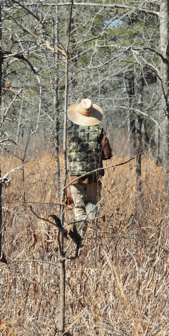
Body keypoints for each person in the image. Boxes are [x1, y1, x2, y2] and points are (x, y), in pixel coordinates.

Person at [66, 98, 112, 236]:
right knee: (92, 205)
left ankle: (80, 237)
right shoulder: (99, 131)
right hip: (93, 176)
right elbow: (108, 154)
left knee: (79, 208)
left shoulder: (69, 131)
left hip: (75, 178)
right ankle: (94, 235)